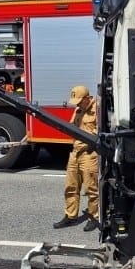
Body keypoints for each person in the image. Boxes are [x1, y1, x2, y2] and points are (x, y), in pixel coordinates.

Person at [53, 84, 99, 232]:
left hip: (89, 153)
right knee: (70, 186)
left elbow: (100, 133)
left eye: (80, 101)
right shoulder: (78, 109)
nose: (78, 104)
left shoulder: (97, 109)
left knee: (91, 188)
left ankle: (94, 217)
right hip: (75, 152)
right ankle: (70, 216)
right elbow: (72, 127)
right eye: (76, 102)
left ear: (87, 98)